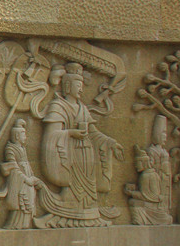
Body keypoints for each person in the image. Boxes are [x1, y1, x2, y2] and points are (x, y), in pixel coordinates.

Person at [39, 62, 122, 222]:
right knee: (73, 186)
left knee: (87, 187)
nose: (81, 89)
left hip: (85, 154)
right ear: (68, 86)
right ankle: (69, 204)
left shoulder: (82, 108)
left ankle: (87, 209)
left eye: (82, 85)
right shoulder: (58, 106)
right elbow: (52, 135)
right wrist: (71, 133)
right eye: (78, 85)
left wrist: (111, 142)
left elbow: (93, 133)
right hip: (70, 154)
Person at [2, 119, 42, 229]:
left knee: (29, 202)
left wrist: (32, 176)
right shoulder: (10, 149)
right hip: (19, 181)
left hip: (27, 178)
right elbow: (14, 168)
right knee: (20, 204)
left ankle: (25, 224)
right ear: (17, 136)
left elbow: (27, 163)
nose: (25, 137)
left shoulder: (22, 149)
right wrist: (26, 179)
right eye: (23, 134)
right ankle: (15, 224)